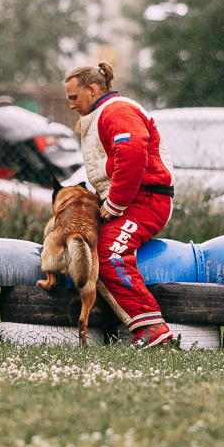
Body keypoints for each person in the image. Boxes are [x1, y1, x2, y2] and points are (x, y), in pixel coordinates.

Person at [63, 62, 178, 348]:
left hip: (147, 200)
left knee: (109, 253)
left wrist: (114, 203)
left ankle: (152, 328)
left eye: (74, 97)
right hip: (134, 198)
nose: (71, 105)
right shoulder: (103, 113)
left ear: (92, 90)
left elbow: (132, 154)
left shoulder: (117, 111)